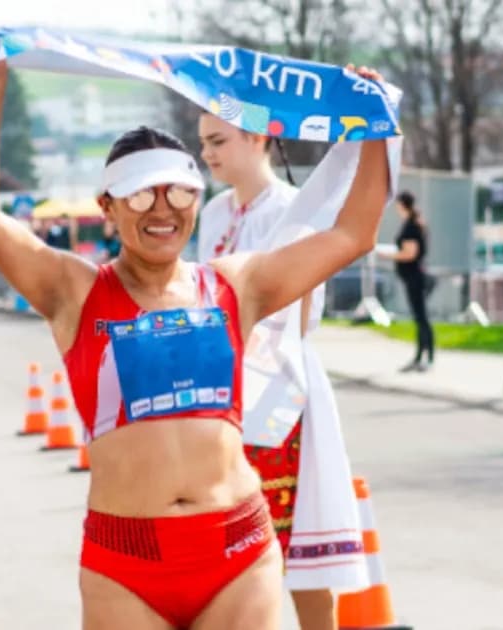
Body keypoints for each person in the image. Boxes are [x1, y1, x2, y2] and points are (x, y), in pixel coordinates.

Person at [0, 60, 390, 630]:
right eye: (140, 197)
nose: (162, 211)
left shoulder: (236, 285)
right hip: (125, 565)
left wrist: (374, 120)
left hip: (237, 549)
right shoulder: (75, 293)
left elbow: (353, 234)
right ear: (108, 208)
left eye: (179, 193)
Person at [195, 111, 368, 630]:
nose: (208, 154)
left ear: (257, 137)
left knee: (294, 546)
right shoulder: (212, 212)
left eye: (218, 141)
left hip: (279, 386)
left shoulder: (294, 210)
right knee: (228, 552)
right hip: (222, 386)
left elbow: (304, 312)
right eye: (203, 142)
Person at [378, 191, 434, 371]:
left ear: (402, 205)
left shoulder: (411, 226)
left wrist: (387, 254)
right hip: (412, 276)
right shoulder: (413, 223)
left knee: (422, 317)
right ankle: (421, 355)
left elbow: (410, 253)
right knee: (420, 317)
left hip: (414, 277)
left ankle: (427, 356)